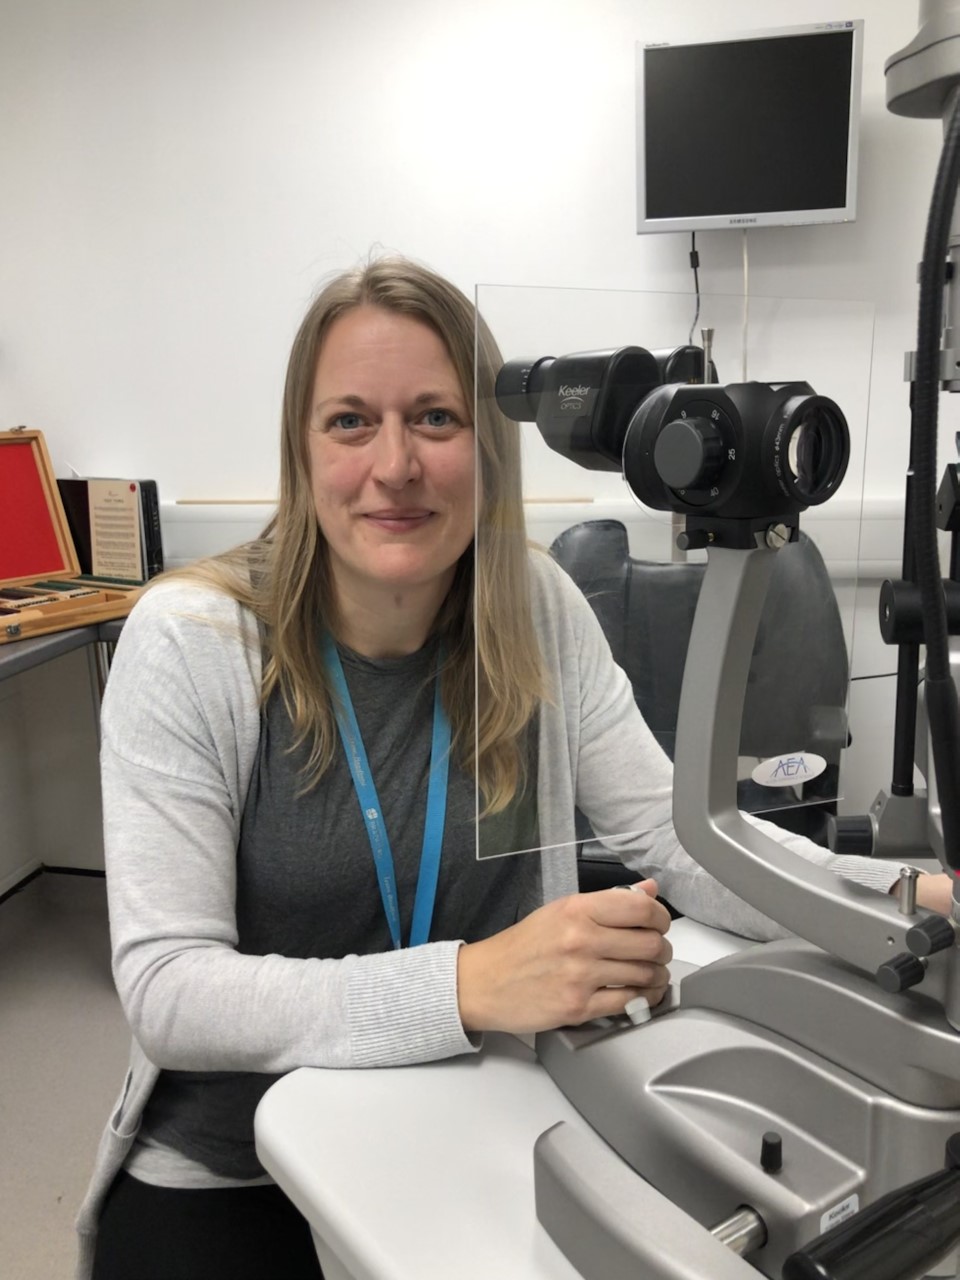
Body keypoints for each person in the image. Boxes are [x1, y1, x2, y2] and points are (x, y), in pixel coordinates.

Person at [76, 256, 953, 1280]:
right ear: (301, 452)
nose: (395, 464)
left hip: (470, 1106)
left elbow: (680, 832)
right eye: (352, 420)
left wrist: (903, 899)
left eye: (436, 418)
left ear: (488, 444)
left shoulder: (533, 609)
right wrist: (471, 981)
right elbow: (170, 988)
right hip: (228, 1169)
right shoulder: (193, 641)